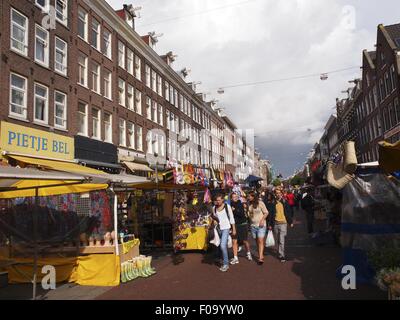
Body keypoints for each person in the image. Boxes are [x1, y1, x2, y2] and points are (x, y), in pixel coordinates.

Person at [213, 193, 237, 272]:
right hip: (218, 229)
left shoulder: (227, 207)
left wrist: (233, 229)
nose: (218, 202)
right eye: (217, 200)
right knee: (220, 245)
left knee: (223, 245)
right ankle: (222, 257)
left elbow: (232, 218)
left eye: (219, 200)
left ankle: (226, 264)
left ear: (223, 199)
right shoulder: (214, 208)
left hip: (226, 228)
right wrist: (214, 222)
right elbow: (214, 218)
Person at [247, 191, 269, 265]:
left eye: (249, 196)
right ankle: (261, 252)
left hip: (261, 225)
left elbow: (266, 212)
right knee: (257, 241)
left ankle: (260, 257)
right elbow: (249, 215)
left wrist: (262, 220)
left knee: (260, 240)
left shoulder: (260, 203)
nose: (248, 197)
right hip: (253, 225)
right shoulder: (249, 204)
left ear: (253, 196)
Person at [230, 193, 252, 264]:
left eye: (236, 197)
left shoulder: (240, 204)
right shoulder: (230, 205)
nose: (235, 198)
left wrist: (234, 210)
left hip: (242, 224)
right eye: (233, 197)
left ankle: (248, 253)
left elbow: (241, 214)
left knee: (245, 241)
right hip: (234, 225)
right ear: (231, 198)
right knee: (234, 241)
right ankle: (235, 257)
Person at [272, 190, 293, 262]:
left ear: (281, 194)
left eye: (279, 193)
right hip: (275, 223)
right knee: (278, 239)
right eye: (276, 193)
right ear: (275, 194)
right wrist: (270, 224)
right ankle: (280, 251)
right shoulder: (273, 202)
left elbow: (288, 211)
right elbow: (271, 213)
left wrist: (290, 222)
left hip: (283, 223)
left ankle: (282, 255)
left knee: (281, 240)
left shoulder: (284, 202)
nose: (278, 194)